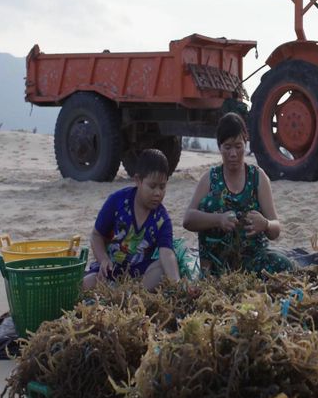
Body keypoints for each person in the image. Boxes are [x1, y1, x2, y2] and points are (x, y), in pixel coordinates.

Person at [183, 112, 292, 276]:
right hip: (216, 266)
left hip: (253, 262)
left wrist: (265, 224)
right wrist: (218, 220)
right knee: (208, 204)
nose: (233, 154)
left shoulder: (258, 177)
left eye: (238, 146)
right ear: (219, 147)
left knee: (285, 265)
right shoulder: (210, 179)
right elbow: (188, 219)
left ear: (245, 143)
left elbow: (275, 229)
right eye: (227, 147)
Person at [83, 149, 180, 291]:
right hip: (110, 269)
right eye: (152, 186)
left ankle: (135, 295)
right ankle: (119, 292)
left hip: (139, 275)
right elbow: (97, 235)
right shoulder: (117, 202)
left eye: (162, 187)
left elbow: (167, 252)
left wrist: (177, 283)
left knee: (161, 267)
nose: (158, 193)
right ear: (138, 181)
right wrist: (103, 259)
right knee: (86, 283)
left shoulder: (162, 219)